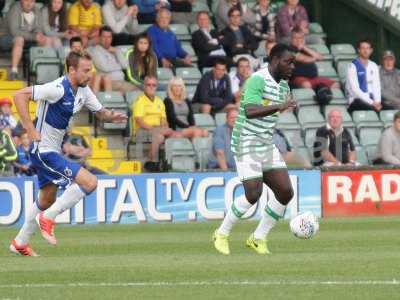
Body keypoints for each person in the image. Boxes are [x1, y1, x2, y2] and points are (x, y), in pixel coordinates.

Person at [9, 51, 127, 256]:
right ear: (72, 70)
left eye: (90, 70)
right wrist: (29, 128)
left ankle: (20, 242)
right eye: (85, 70)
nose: (89, 74)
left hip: (52, 151)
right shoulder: (57, 88)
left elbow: (99, 112)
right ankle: (48, 218)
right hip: (43, 151)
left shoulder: (83, 90)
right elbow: (19, 95)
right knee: (90, 182)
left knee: (46, 199)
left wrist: (111, 116)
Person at [213, 43, 297, 255]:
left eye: (293, 62)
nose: (292, 66)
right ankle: (221, 233)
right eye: (288, 62)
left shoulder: (284, 87)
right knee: (253, 193)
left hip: (265, 143)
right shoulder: (257, 79)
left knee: (285, 192)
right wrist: (278, 106)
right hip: (246, 140)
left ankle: (258, 238)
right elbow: (250, 110)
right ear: (276, 60)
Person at [133, 75, 179, 172]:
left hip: (158, 130)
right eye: (148, 85)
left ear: (156, 87)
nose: (151, 87)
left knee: (169, 135)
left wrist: (163, 129)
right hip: (142, 130)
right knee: (160, 135)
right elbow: (139, 121)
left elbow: (164, 120)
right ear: (144, 86)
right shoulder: (140, 101)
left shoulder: (159, 101)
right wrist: (155, 130)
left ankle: (166, 162)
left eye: (153, 85)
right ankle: (151, 161)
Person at [2, 0, 57, 80]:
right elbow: (14, 31)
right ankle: (14, 72)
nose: (29, 3)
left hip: (27, 39)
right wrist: (34, 37)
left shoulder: (36, 10)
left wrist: (39, 35)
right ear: (21, 1)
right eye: (26, 0)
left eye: (31, 1)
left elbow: (39, 28)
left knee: (46, 40)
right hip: (6, 37)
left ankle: (43, 72)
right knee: (19, 39)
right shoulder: (15, 9)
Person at [89, 26, 137, 93]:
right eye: (104, 37)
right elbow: (105, 68)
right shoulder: (95, 51)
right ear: (99, 38)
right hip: (110, 82)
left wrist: (117, 51)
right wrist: (119, 66)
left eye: (109, 37)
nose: (106, 40)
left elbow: (125, 65)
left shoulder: (114, 50)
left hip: (121, 81)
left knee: (140, 91)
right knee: (137, 92)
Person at [346, 39, 381, 113]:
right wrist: (372, 103)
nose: (365, 51)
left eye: (368, 48)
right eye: (363, 48)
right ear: (358, 50)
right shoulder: (353, 66)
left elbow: (376, 86)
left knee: (389, 108)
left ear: (371, 50)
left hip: (371, 99)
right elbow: (355, 89)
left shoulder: (373, 65)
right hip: (357, 100)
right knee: (370, 109)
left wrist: (378, 102)